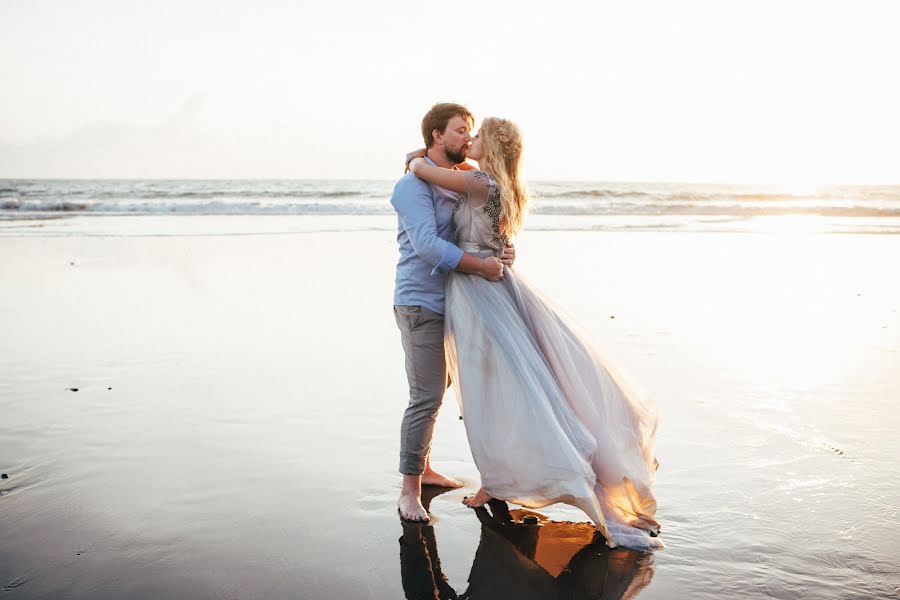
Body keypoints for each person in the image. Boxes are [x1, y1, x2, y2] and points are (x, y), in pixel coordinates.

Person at [407, 117, 663, 550]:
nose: (471, 140)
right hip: (493, 285)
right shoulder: (505, 186)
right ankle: (496, 478)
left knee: (488, 389)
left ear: (491, 146)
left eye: (478, 134)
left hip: (476, 290)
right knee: (502, 385)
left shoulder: (479, 181)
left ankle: (497, 480)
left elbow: (426, 172)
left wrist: (414, 159)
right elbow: (498, 237)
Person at [390, 103, 516, 523]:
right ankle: (409, 491)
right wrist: (481, 264)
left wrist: (499, 250)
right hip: (421, 301)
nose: (468, 137)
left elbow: (480, 223)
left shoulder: (457, 179)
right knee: (424, 396)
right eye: (461, 130)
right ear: (438, 136)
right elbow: (427, 246)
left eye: (471, 131)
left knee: (438, 390)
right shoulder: (412, 187)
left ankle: (424, 470)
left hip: (456, 302)